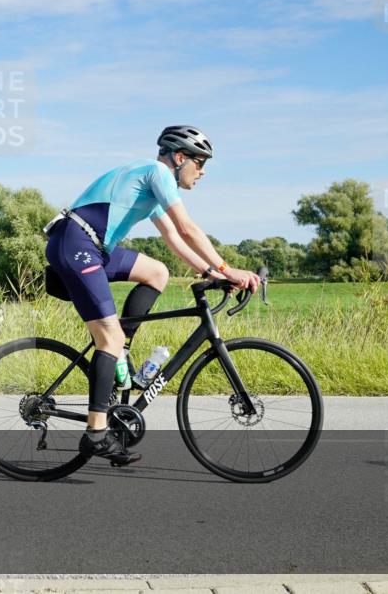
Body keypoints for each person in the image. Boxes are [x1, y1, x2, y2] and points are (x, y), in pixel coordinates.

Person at [44, 125, 260, 466]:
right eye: (200, 163)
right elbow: (189, 229)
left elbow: (175, 239)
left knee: (157, 272)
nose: (202, 172)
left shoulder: (156, 181)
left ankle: (122, 350)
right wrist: (228, 268)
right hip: (76, 245)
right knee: (107, 338)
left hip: (93, 247)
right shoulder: (157, 171)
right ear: (179, 157)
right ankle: (95, 435)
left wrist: (212, 274)